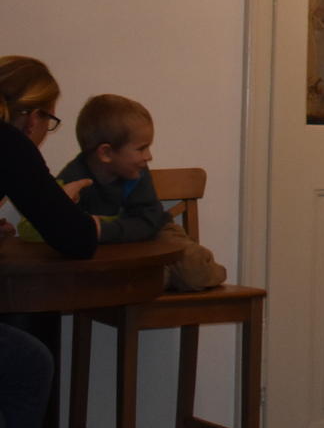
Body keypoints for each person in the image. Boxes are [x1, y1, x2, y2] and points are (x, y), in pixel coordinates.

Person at [0, 56, 97, 428]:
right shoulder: (10, 143)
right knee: (30, 364)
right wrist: (77, 208)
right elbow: (74, 238)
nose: (44, 133)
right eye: (49, 121)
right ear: (32, 116)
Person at [51, 94, 224, 292]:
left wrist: (102, 231)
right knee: (104, 279)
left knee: (195, 266)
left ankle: (165, 274)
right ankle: (159, 276)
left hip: (155, 232)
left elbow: (148, 221)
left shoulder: (137, 172)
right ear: (106, 153)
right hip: (111, 248)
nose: (148, 156)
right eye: (141, 149)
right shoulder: (73, 180)